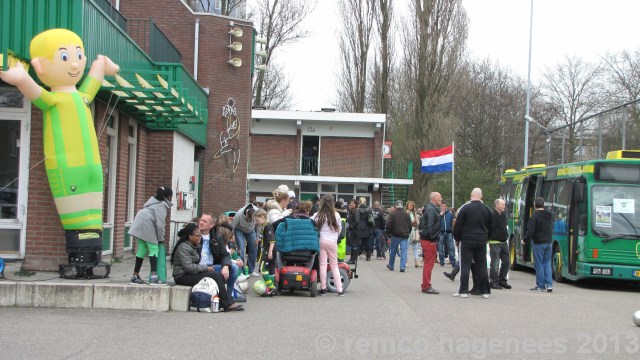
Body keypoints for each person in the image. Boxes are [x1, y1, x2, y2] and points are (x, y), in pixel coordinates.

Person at [0, 29, 119, 244]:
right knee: (78, 216)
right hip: (66, 167)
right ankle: (82, 247)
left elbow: (91, 84)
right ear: (39, 66)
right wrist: (21, 79)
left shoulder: (80, 97)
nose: (74, 64)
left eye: (78, 56)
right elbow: (36, 92)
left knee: (94, 210)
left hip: (92, 166)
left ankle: (93, 245)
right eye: (65, 57)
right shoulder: (53, 100)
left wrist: (100, 65)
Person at [170, 223, 244, 312]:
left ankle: (226, 301)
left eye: (200, 236)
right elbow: (189, 267)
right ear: (190, 236)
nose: (200, 238)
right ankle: (227, 304)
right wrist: (206, 268)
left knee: (218, 275)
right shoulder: (183, 247)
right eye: (197, 236)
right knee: (215, 275)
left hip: (191, 273)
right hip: (182, 276)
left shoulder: (194, 245)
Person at [452, 188, 493, 299]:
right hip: (481, 240)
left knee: (465, 265)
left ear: (471, 195)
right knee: (482, 266)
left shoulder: (465, 208)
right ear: (481, 196)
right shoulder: (487, 209)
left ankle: (463, 291)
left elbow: (458, 225)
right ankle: (485, 291)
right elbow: (491, 226)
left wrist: (457, 238)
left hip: (467, 239)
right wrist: (487, 238)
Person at [129, 187, 173, 285]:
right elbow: (160, 224)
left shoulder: (152, 202)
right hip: (147, 224)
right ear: (168, 196)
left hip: (139, 222)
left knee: (142, 249)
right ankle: (153, 277)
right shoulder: (162, 205)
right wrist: (161, 240)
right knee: (154, 248)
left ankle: (135, 276)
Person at [197, 214, 244, 301]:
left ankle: (228, 296)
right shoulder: (194, 235)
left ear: (211, 225)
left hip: (212, 266)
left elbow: (224, 254)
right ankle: (225, 299)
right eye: (201, 220)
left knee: (233, 268)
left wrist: (226, 266)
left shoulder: (216, 236)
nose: (201, 223)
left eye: (204, 221)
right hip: (198, 267)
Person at [311, 194, 345, 296]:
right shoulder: (337, 215)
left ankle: (323, 288)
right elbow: (339, 230)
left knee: (322, 265)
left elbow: (310, 220)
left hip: (322, 240)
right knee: (334, 265)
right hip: (332, 242)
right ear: (332, 203)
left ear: (322, 202)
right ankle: (339, 289)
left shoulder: (318, 214)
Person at [523, 197, 554, 292]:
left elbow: (530, 231)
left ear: (535, 205)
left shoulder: (534, 217)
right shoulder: (550, 215)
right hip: (549, 242)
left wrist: (525, 239)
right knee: (547, 264)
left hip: (539, 243)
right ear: (543, 205)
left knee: (539, 265)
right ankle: (549, 285)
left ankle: (540, 285)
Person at [418, 192, 442, 294]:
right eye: (439, 197)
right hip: (429, 239)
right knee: (429, 263)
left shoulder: (431, 208)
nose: (441, 199)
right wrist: (432, 239)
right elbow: (430, 226)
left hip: (428, 238)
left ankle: (426, 285)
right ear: (434, 198)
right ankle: (426, 286)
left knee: (429, 263)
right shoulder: (431, 209)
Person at [231, 203, 260, 277]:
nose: (250, 221)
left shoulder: (257, 212)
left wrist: (257, 237)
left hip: (251, 231)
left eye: (252, 220)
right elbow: (232, 226)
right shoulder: (239, 215)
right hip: (239, 230)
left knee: (254, 248)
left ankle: (251, 270)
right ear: (246, 214)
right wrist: (232, 236)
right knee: (241, 249)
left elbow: (259, 225)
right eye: (249, 219)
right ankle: (241, 271)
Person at [489, 199, 511, 290]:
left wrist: (506, 235)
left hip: (503, 241)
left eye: (504, 204)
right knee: (495, 263)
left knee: (506, 262)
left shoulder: (504, 215)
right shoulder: (492, 215)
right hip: (495, 242)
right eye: (502, 204)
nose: (504, 206)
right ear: (497, 205)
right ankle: (493, 281)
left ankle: (502, 280)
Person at [254, 209, 277, 296]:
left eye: (257, 219)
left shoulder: (268, 225)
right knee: (271, 270)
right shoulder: (264, 226)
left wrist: (270, 251)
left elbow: (272, 240)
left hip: (269, 250)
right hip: (269, 250)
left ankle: (271, 287)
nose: (257, 221)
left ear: (262, 217)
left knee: (263, 269)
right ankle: (272, 289)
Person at [385, 200, 412, 272]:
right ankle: (402, 267)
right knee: (404, 251)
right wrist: (408, 232)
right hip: (405, 235)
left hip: (395, 235)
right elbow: (410, 225)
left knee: (393, 251)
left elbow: (388, 224)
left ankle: (391, 265)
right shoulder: (407, 214)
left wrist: (389, 233)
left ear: (395, 206)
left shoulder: (392, 214)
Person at [349, 197, 374, 261]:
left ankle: (356, 256)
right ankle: (368, 257)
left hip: (359, 227)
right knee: (368, 242)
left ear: (359, 202)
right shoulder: (369, 210)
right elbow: (371, 219)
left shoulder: (357, 210)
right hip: (367, 227)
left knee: (358, 243)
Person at [438, 201, 457, 268]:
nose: (443, 208)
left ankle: (453, 262)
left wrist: (452, 230)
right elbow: (437, 223)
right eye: (442, 206)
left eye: (444, 206)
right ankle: (442, 262)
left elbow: (453, 223)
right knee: (440, 248)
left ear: (446, 207)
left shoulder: (450, 214)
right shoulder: (439, 214)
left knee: (451, 248)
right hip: (441, 232)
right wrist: (440, 216)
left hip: (449, 233)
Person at [406, 201, 422, 268]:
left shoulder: (414, 213)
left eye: (412, 205)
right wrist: (411, 222)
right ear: (407, 206)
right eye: (410, 205)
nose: (411, 207)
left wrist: (415, 217)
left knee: (415, 247)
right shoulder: (406, 213)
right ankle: (405, 262)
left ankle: (416, 262)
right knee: (406, 247)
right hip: (407, 230)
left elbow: (418, 222)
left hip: (414, 230)